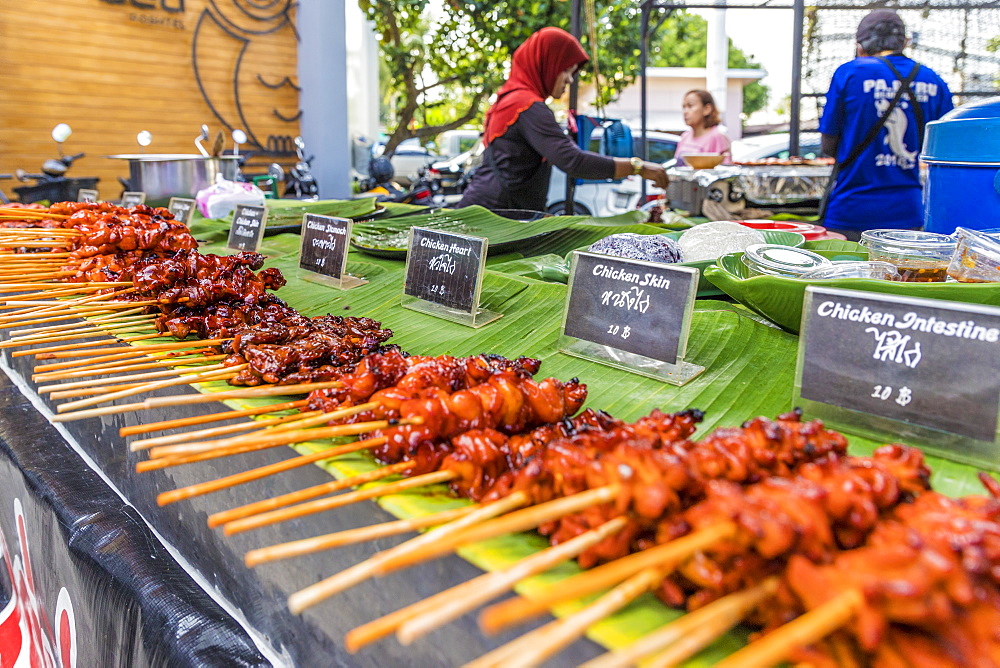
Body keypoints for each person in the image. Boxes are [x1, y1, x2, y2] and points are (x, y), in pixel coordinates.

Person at [457, 27, 668, 212]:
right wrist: (637, 167)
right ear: (545, 63)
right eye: (565, 70)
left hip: (497, 208)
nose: (570, 79)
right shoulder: (527, 106)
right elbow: (573, 161)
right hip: (494, 214)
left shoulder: (512, 100)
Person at [819, 9, 953, 240]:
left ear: (860, 45)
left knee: (846, 272)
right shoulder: (933, 80)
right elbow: (945, 148)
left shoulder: (850, 73)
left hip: (851, 209)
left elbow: (828, 145)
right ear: (905, 42)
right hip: (908, 212)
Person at [674, 90, 732, 166]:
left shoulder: (717, 137)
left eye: (690, 106)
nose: (685, 111)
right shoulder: (685, 136)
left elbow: (725, 170)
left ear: (707, 109)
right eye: (684, 107)